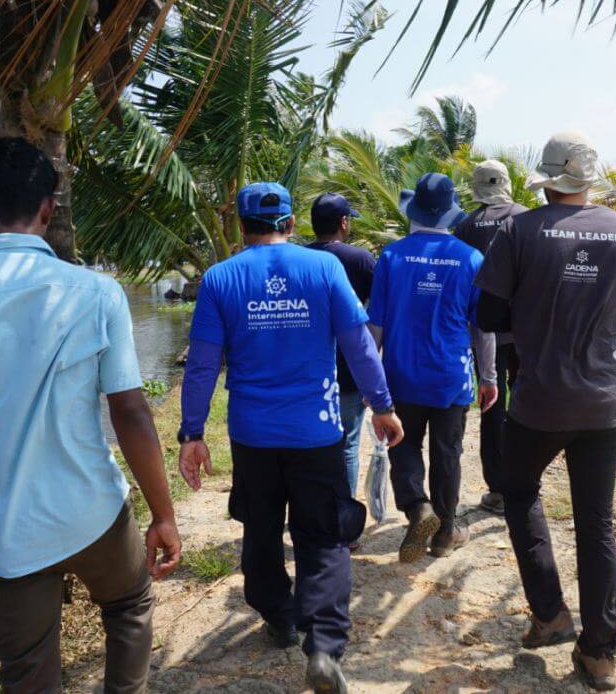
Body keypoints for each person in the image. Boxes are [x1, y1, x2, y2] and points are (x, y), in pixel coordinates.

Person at [0, 137, 181, 693]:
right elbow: (132, 413)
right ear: (49, 210)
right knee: (129, 602)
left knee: (26, 667)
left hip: (0, 527)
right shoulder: (96, 293)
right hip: (88, 510)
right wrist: (163, 515)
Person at [177, 181, 404, 694]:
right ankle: (323, 645)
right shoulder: (323, 269)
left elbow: (202, 365)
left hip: (252, 435)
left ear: (241, 225)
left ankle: (280, 616)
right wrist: (382, 405)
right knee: (322, 533)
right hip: (316, 431)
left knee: (261, 528)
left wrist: (193, 433)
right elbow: (359, 346)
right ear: (291, 224)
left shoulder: (219, 279)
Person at [475, 131, 616, 691]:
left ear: (547, 178)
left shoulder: (518, 230)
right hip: (605, 405)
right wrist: (596, 322)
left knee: (519, 488)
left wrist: (537, 314)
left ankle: (551, 612)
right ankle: (600, 653)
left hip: (538, 401)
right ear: (588, 178)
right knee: (595, 521)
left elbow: (487, 313)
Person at [369, 173, 499, 563]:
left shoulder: (392, 256)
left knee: (402, 443)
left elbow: (374, 324)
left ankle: (416, 507)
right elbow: (483, 327)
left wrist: (370, 380)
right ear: (450, 212)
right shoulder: (471, 258)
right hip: (451, 375)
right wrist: (489, 377)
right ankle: (444, 532)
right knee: (448, 452)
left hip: (401, 373)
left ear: (415, 210)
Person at [455, 160, 529, 515]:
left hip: (485, 331)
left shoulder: (466, 225)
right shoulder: (528, 218)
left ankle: (498, 489)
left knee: (491, 405)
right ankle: (526, 484)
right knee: (527, 402)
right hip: (526, 330)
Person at [305, 192, 377, 505]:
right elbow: (377, 317)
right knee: (348, 444)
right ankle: (343, 522)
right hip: (350, 366)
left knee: (310, 445)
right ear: (344, 223)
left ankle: (310, 512)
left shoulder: (301, 259)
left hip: (309, 367)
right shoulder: (360, 259)